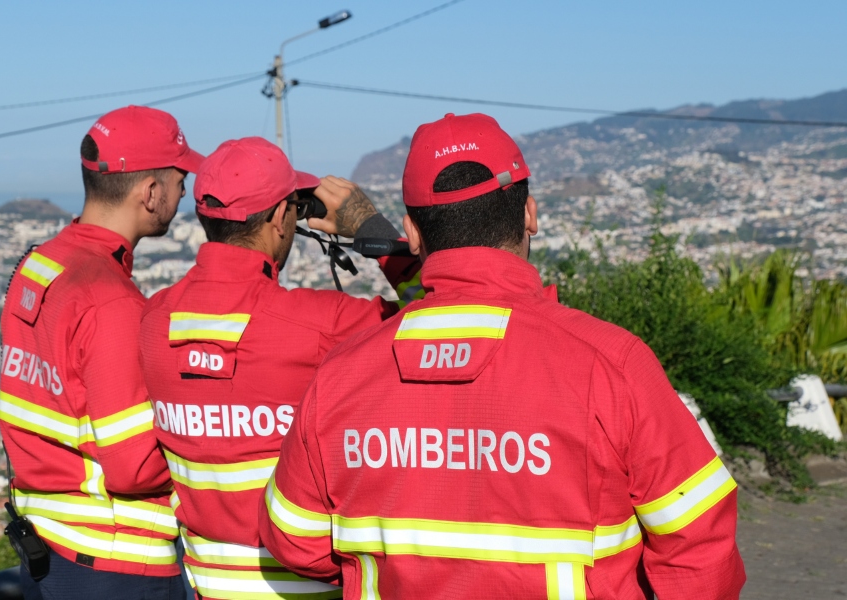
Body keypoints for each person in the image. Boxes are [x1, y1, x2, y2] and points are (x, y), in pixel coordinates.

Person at [258, 113, 747, 599]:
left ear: (414, 230)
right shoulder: (609, 365)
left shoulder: (342, 376)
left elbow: (295, 541)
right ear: (529, 213)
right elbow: (700, 550)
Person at [138, 136, 421, 599]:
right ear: (279, 218)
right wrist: (374, 232)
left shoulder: (154, 319)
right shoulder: (322, 324)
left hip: (203, 582)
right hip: (307, 585)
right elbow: (439, 314)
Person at [0, 105, 204, 599]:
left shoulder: (40, 265)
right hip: (115, 562)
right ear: (149, 192)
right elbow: (133, 468)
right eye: (180, 180)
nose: (184, 193)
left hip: (48, 547)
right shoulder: (112, 301)